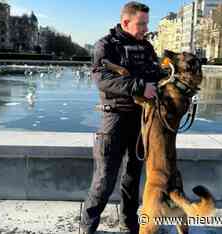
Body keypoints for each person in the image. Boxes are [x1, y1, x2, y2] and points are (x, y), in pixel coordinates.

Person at [80, 2, 163, 234]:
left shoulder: (146, 47)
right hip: (114, 119)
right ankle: (87, 227)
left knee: (132, 178)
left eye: (147, 23)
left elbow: (156, 75)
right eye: (142, 23)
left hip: (142, 121)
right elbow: (103, 80)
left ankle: (129, 223)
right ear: (126, 22)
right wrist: (139, 86)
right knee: (104, 180)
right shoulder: (105, 45)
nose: (146, 28)